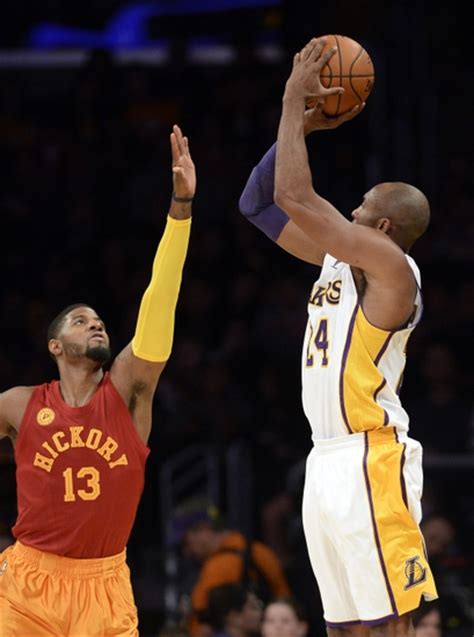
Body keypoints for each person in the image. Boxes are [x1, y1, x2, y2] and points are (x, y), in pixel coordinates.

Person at [239, 38, 438, 636]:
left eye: (359, 208)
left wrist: (289, 100)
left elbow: (294, 197)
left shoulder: (392, 271)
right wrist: (296, 128)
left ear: (382, 228)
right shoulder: (337, 260)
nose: (346, 211)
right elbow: (258, 203)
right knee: (345, 625)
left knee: (389, 623)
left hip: (370, 455)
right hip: (325, 457)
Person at [0, 124, 195, 637]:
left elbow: (159, 302)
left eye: (99, 319)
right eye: (80, 320)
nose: (96, 323)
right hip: (26, 583)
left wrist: (180, 209)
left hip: (104, 584)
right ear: (55, 346)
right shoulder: (18, 405)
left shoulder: (129, 390)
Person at [171, 503, 291, 637]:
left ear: (203, 530)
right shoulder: (261, 552)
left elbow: (202, 628)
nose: (187, 552)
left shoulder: (217, 567)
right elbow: (286, 604)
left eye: (186, 543)